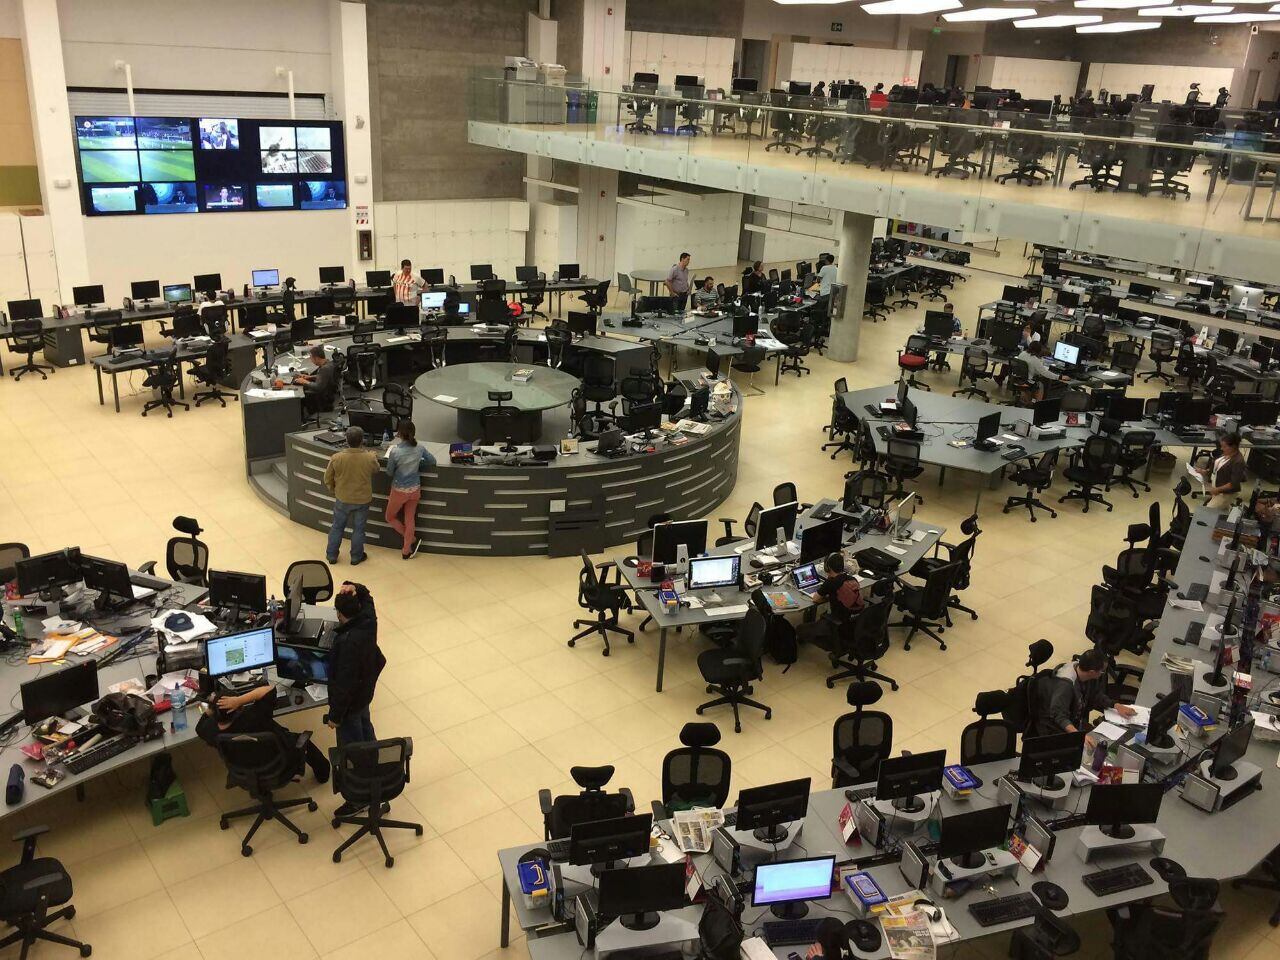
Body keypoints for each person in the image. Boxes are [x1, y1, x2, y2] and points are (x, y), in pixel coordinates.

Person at [327, 581, 386, 814]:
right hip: (365, 694)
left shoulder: (347, 643)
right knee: (367, 737)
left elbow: (344, 686)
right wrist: (356, 588)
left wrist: (335, 717)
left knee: (352, 751)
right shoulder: (368, 623)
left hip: (350, 705)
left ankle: (359, 799)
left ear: (339, 614)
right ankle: (378, 786)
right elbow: (369, 599)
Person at [196, 684, 330, 783]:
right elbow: (269, 689)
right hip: (278, 764)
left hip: (244, 769)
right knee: (302, 740)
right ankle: (323, 775)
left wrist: (214, 706)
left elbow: (200, 726)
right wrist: (239, 700)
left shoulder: (208, 730)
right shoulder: (255, 717)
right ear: (239, 709)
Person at [1030, 649, 1135, 746]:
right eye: (1102, 671)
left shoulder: (1084, 673)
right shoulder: (1065, 686)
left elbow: (1095, 695)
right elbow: (1059, 716)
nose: (1103, 674)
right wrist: (1079, 736)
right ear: (1092, 672)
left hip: (1074, 720)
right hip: (1054, 728)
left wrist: (1116, 705)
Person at [323, 426, 379, 565]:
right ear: (362, 440)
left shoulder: (337, 458)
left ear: (346, 440)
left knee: (337, 527)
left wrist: (334, 490)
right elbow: (376, 469)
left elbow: (327, 478)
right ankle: (356, 557)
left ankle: (331, 555)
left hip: (342, 498)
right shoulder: (369, 457)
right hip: (362, 500)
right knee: (359, 529)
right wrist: (372, 456)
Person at [384, 419, 436, 559]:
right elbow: (432, 461)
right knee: (410, 519)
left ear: (399, 433)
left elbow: (389, 472)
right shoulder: (420, 448)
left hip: (399, 491)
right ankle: (406, 550)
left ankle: (412, 539)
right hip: (415, 490)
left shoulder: (395, 451)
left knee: (389, 517)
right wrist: (418, 463)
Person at [797, 552, 865, 650]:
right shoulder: (852, 579)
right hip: (856, 622)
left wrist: (826, 595)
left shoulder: (830, 583)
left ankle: (830, 642)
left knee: (800, 629)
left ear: (827, 568)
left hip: (840, 624)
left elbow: (815, 599)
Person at [1197, 432, 1247, 509]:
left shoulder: (1238, 462)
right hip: (1217, 490)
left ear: (1233, 447)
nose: (1221, 449)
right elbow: (1217, 467)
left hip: (1225, 494)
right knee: (1220, 511)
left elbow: (1233, 484)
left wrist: (1218, 489)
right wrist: (1205, 471)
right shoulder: (1227, 453)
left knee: (1208, 511)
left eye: (1224, 446)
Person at [292, 344, 337, 416]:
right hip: (328, 394)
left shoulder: (324, 369)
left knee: (298, 396)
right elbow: (324, 377)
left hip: (323, 399)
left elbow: (318, 387)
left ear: (316, 358)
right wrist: (309, 377)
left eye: (311, 358)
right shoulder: (329, 363)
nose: (311, 361)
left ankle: (302, 419)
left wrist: (304, 381)